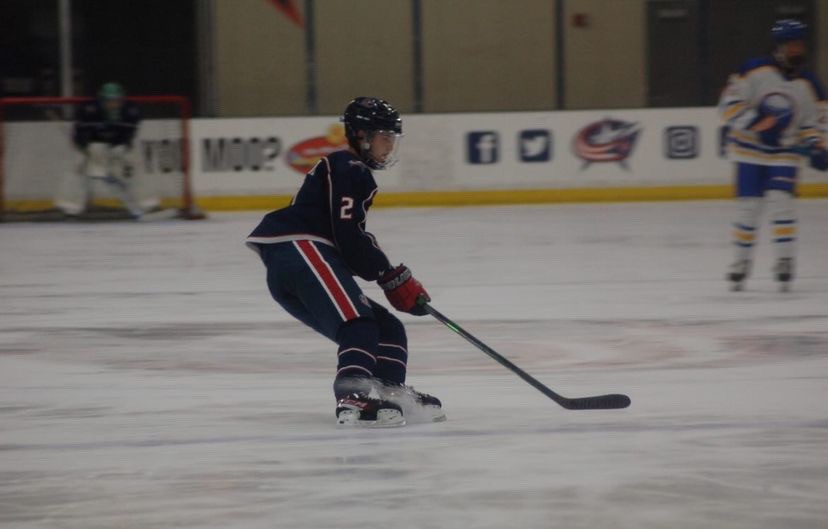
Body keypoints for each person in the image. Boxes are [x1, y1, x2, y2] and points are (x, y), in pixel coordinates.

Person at [245, 96, 444, 427]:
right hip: (301, 250)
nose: (389, 146)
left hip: (299, 261)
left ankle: (389, 391)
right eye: (384, 137)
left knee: (387, 328)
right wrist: (389, 276)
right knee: (358, 324)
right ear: (362, 135)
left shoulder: (348, 170)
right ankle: (353, 395)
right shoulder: (349, 166)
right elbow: (349, 235)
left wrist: (389, 276)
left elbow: (349, 241)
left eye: (392, 138)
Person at [718, 19, 827, 292]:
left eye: (800, 44)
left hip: (784, 154)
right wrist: (757, 124)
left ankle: (785, 261)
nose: (797, 49)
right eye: (792, 45)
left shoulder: (810, 84)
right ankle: (741, 262)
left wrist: (817, 146)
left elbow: (813, 125)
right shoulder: (754, 70)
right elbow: (728, 105)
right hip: (749, 151)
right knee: (749, 208)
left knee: (782, 202)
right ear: (779, 47)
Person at [56, 82, 147, 219]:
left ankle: (141, 206)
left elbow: (128, 136)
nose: (113, 103)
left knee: (127, 171)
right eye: (109, 100)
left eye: (116, 100)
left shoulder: (130, 111)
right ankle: (70, 207)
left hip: (114, 146)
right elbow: (78, 136)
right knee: (78, 167)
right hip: (91, 145)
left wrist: (119, 151)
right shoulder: (88, 110)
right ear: (102, 100)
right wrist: (84, 149)